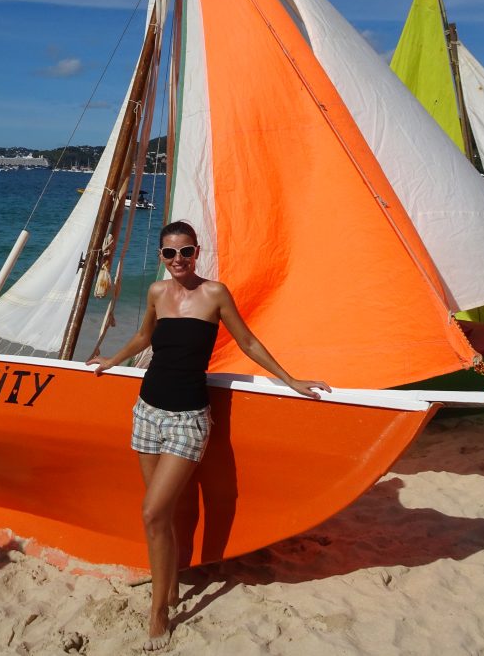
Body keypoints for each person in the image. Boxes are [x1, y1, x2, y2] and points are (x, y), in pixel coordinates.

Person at [87, 220, 330, 651]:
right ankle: (172, 585)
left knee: (152, 514)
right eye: (169, 254)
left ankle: (158, 610)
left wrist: (290, 381)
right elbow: (145, 337)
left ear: (196, 252)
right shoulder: (157, 293)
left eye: (186, 252)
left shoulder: (215, 293)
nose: (178, 260)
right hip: (146, 412)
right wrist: (110, 361)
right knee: (165, 514)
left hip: (188, 419)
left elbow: (249, 342)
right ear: (162, 258)